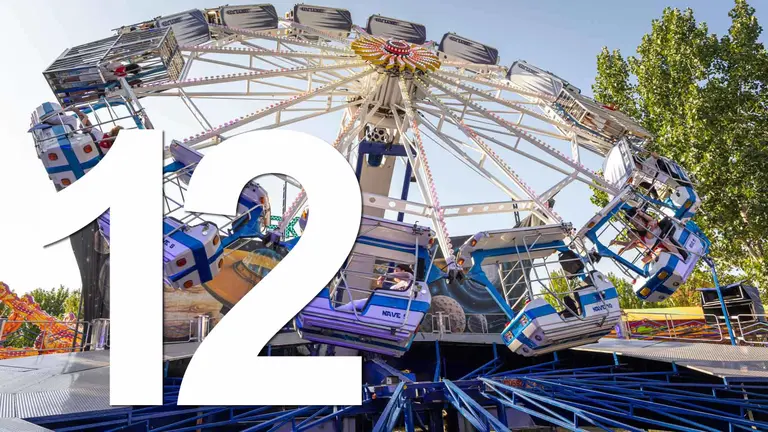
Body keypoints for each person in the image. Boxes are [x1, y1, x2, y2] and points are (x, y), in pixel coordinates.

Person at [335, 264, 414, 312]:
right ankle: (336, 312)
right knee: (353, 304)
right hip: (380, 302)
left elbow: (406, 275)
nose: (394, 273)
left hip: (382, 304)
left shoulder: (409, 280)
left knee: (354, 304)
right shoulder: (399, 285)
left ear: (403, 271)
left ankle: (334, 313)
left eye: (396, 271)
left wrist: (385, 275)